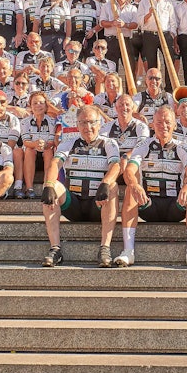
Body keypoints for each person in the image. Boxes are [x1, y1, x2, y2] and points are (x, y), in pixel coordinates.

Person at [118, 106, 187, 267]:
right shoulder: (143, 145)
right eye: (159, 122)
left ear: (175, 125)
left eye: (167, 122)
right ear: (152, 125)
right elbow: (129, 170)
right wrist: (135, 184)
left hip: (175, 205)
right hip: (149, 204)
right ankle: (128, 251)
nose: (163, 126)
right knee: (130, 188)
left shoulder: (183, 147)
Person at [40, 104, 121, 267]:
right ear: (77, 125)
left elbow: (116, 165)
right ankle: (55, 249)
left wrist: (105, 182)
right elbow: (55, 162)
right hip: (74, 204)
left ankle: (105, 248)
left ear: (99, 124)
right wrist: (48, 184)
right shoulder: (69, 142)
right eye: (83, 122)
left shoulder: (109, 143)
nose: (87, 127)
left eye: (91, 122)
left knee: (113, 186)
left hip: (97, 203)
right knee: (51, 186)